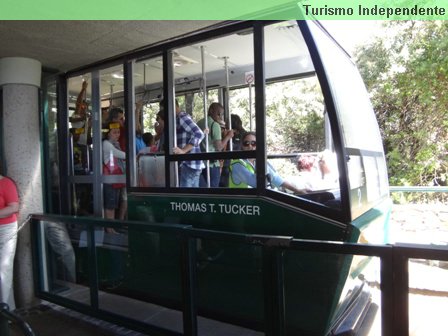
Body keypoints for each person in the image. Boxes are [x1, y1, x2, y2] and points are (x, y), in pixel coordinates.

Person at [229, 132, 307, 194]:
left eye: (253, 143)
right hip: (242, 203)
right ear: (242, 146)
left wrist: (297, 190)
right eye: (246, 143)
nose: (250, 146)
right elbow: (257, 183)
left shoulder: (258, 162)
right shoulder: (237, 164)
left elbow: (276, 179)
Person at [197, 102, 234, 187]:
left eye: (221, 115)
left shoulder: (199, 123)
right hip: (212, 164)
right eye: (218, 114)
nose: (220, 117)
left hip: (201, 162)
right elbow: (219, 147)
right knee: (213, 190)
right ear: (211, 111)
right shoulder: (215, 125)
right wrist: (228, 136)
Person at [172, 99, 205, 187]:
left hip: (188, 163)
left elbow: (199, 134)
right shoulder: (177, 119)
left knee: (186, 197)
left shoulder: (182, 117)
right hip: (191, 164)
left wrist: (183, 150)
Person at [0, 174, 19, 310]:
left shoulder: (6, 183)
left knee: (3, 269)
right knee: (4, 272)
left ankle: (2, 313)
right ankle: (9, 310)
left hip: (6, 229)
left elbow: (13, 207)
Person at [102, 122, 126, 222]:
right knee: (110, 206)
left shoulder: (115, 144)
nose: (117, 135)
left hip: (115, 178)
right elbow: (122, 155)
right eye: (114, 132)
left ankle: (112, 228)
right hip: (110, 179)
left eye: (118, 132)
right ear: (108, 134)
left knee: (113, 205)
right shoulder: (107, 144)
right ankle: (110, 229)